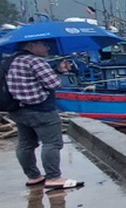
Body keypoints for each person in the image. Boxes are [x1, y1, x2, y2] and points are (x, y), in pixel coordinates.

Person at [5, 40, 77, 189]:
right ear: (31, 46)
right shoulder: (36, 61)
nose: (47, 48)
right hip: (41, 110)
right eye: (44, 45)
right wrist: (58, 74)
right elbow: (54, 84)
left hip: (18, 109)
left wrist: (57, 70)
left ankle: (33, 176)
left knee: (25, 144)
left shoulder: (10, 61)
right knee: (52, 143)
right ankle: (53, 177)